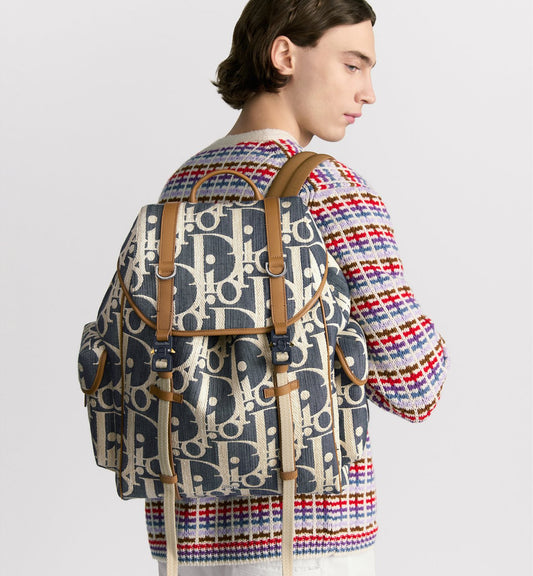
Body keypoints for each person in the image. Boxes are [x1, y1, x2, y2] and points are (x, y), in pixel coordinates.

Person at [146, 1, 449, 574]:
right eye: (353, 65)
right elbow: (415, 385)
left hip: (185, 545)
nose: (368, 92)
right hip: (305, 542)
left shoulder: (180, 188)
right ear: (285, 55)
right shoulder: (327, 187)